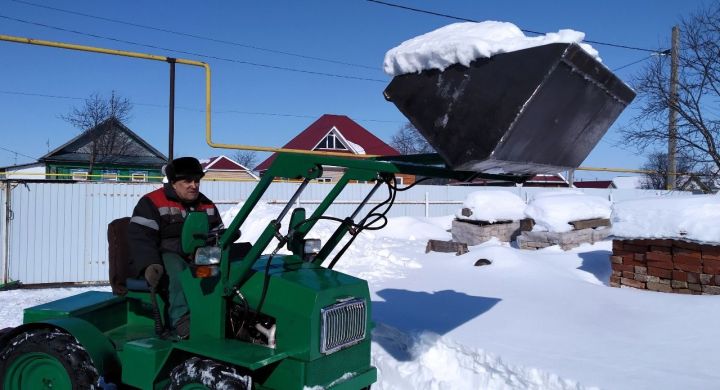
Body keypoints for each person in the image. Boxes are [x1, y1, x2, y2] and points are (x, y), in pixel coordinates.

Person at [127, 157, 223, 338]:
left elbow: (218, 234)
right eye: (187, 181)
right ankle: (181, 320)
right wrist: (149, 264)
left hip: (197, 263)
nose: (193, 185)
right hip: (162, 263)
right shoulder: (151, 203)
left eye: (197, 181)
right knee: (176, 267)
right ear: (173, 183)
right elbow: (140, 238)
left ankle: (219, 313)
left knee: (218, 271)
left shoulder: (206, 205)